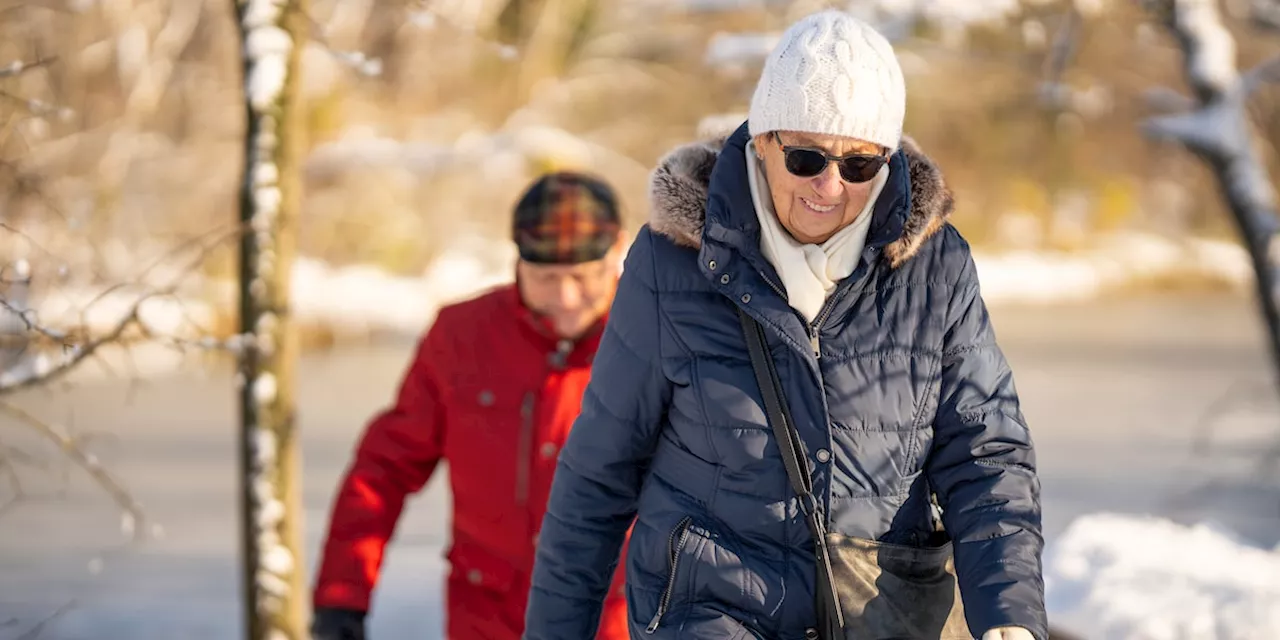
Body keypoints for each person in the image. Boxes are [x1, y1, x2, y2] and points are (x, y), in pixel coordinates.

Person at [524, 10, 1046, 640]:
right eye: (806, 157)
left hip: (880, 616)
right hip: (709, 611)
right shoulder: (673, 264)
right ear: (762, 141)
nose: (830, 186)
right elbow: (598, 473)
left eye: (859, 166)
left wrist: (1011, 618)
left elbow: (986, 455)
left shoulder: (935, 268)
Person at [309, 171, 633, 640]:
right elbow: (383, 471)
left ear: (617, 251)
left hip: (619, 617)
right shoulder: (461, 337)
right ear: (516, 260)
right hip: (486, 616)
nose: (565, 298)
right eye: (545, 278)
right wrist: (342, 595)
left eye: (583, 278)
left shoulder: (655, 337)